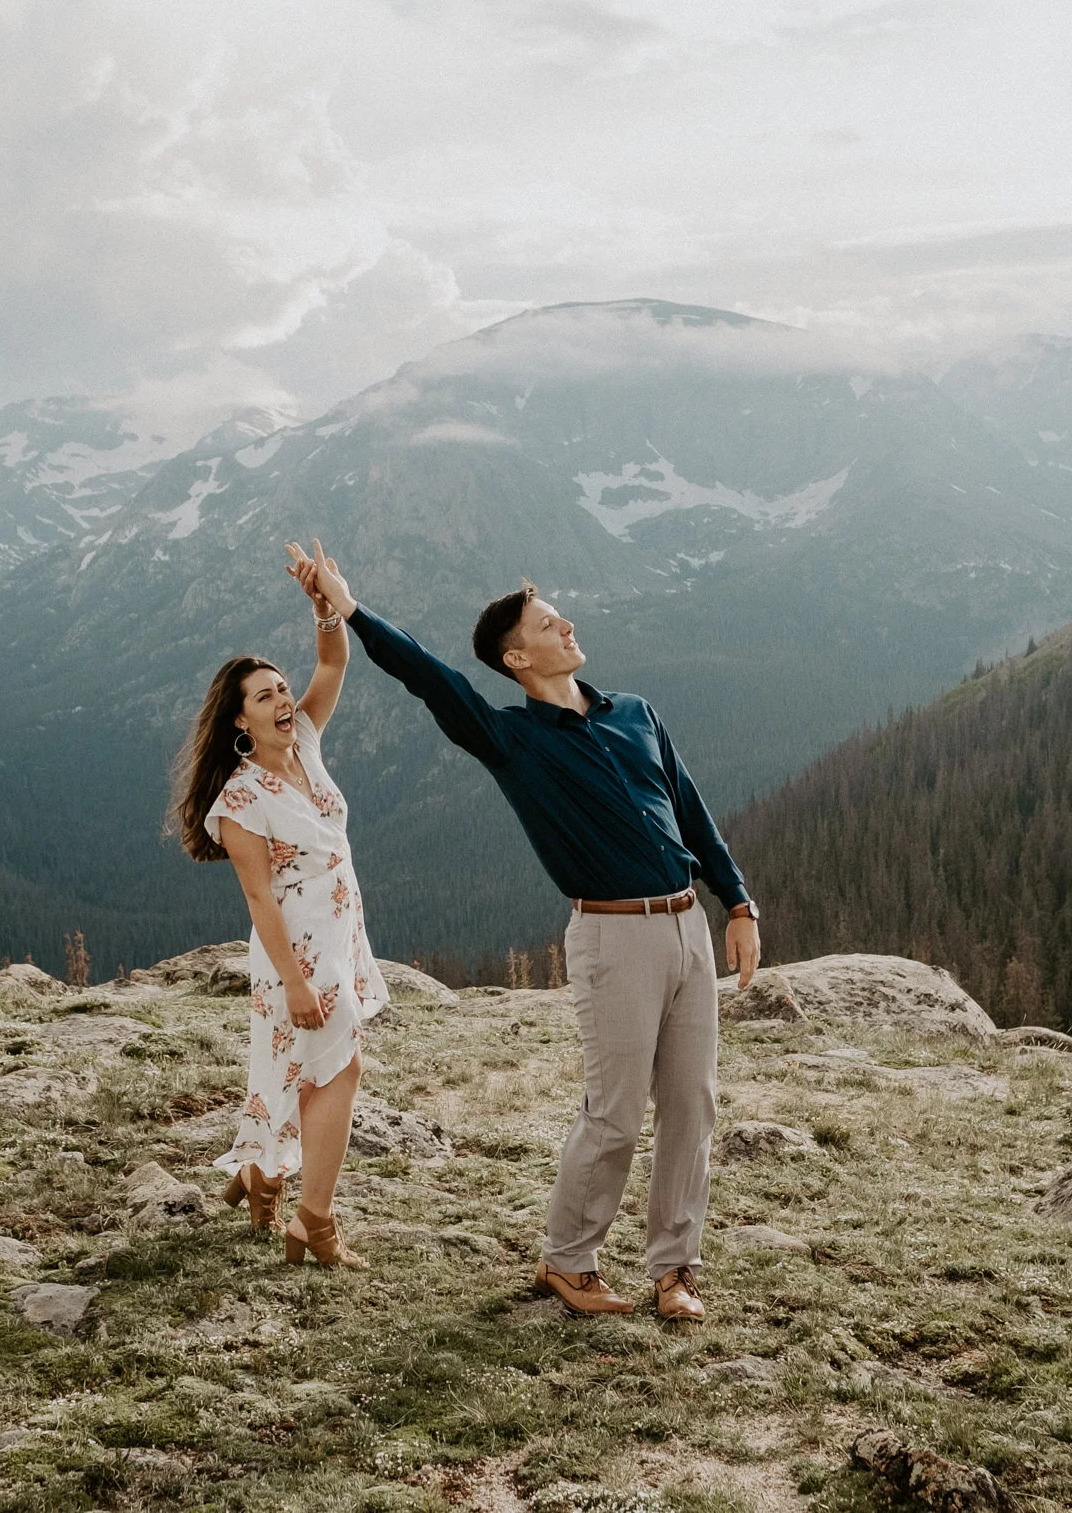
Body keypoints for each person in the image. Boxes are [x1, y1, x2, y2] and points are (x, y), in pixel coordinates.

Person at [286, 541, 760, 1323]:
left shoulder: (636, 713)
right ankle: (567, 1262)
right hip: (613, 939)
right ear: (517, 655)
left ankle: (675, 1270)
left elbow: (693, 810)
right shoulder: (511, 737)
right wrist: (348, 606)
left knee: (692, 1103)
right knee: (613, 1112)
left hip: (687, 927)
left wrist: (736, 903)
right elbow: (429, 678)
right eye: (549, 622)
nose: (567, 624)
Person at [167, 553, 385, 1269]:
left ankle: (261, 1177)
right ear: (239, 720)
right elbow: (260, 898)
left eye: (283, 689)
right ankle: (312, 1224)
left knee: (305, 1072)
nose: (283, 700)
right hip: (295, 954)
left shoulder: (307, 743)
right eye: (264, 697)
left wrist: (324, 602)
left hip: (341, 937)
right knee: (333, 1064)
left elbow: (334, 662)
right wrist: (293, 981)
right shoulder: (239, 801)